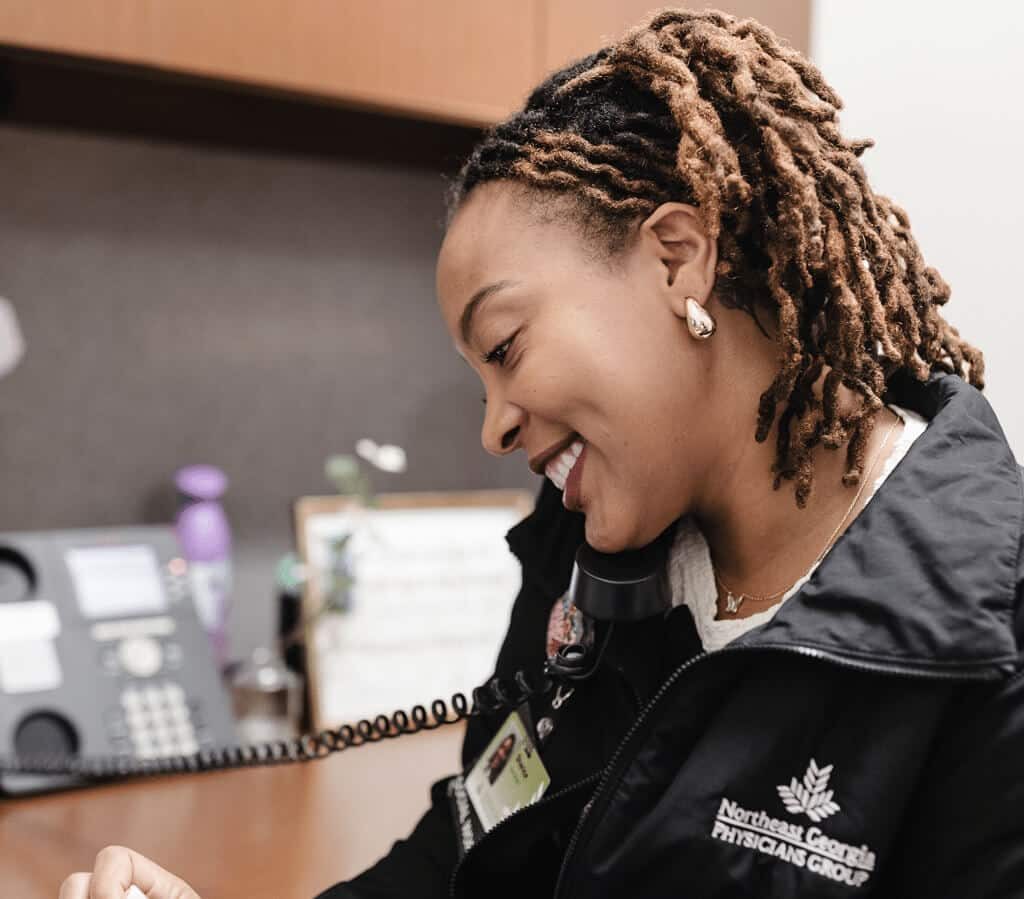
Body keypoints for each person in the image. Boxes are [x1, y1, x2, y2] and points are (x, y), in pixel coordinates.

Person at [60, 8, 1024, 898]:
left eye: (506, 347)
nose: (493, 428)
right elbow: (475, 844)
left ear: (677, 257)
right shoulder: (593, 544)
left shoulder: (987, 648)